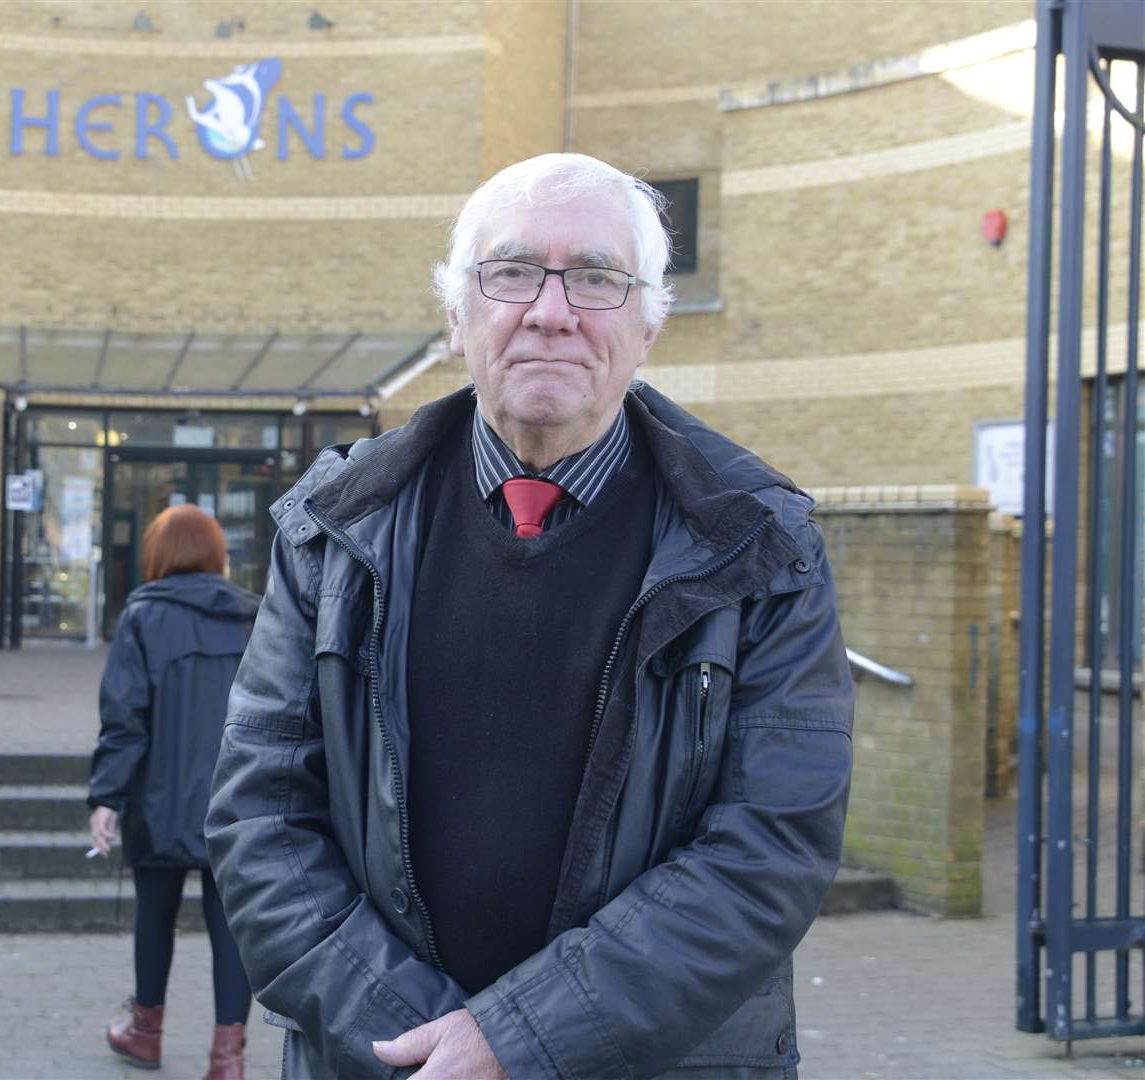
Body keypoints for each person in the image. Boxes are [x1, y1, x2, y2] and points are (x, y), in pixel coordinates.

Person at [206, 152, 855, 1079]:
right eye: (511, 273)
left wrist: (519, 1040)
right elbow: (259, 814)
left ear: (647, 325)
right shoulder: (332, 530)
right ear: (456, 315)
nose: (550, 311)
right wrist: (429, 1049)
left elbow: (771, 845)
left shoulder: (759, 545)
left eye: (595, 279)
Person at [88, 504, 262, 1079]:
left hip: (158, 800)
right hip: (235, 801)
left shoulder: (142, 616)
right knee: (231, 928)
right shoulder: (254, 616)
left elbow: (124, 717)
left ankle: (145, 1033)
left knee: (154, 917)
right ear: (216, 554)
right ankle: (228, 1058)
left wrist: (107, 799)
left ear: (157, 554)